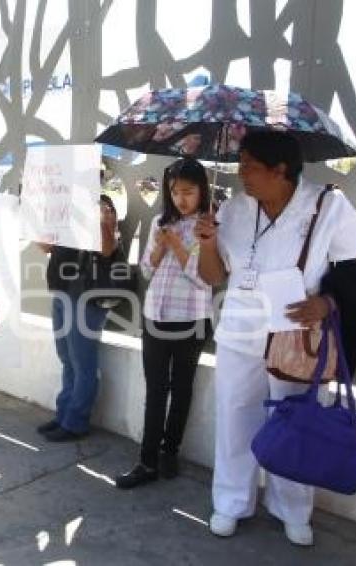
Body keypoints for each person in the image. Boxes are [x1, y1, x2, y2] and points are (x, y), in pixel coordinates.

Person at [195, 131, 356, 546]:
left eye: (250, 167)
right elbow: (214, 276)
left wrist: (328, 303)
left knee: (297, 422)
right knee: (234, 419)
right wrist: (206, 244)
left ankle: (292, 508)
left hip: (297, 339)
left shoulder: (327, 205)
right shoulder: (234, 209)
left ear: (280, 170)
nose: (241, 175)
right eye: (239, 165)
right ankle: (231, 501)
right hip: (240, 333)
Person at [116, 158, 213, 489]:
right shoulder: (160, 220)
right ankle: (147, 461)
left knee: (182, 388)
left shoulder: (210, 226)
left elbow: (206, 280)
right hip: (156, 315)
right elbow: (146, 269)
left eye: (188, 191)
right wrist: (159, 246)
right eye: (174, 191)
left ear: (202, 189)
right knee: (156, 390)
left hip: (192, 318)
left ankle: (170, 450)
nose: (180, 198)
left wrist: (178, 245)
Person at [36, 193, 120, 442]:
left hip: (87, 295)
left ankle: (76, 421)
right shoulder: (64, 205)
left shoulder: (103, 204)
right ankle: (65, 414)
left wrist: (102, 221)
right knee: (67, 356)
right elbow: (44, 246)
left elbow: (107, 250)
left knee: (82, 360)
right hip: (63, 290)